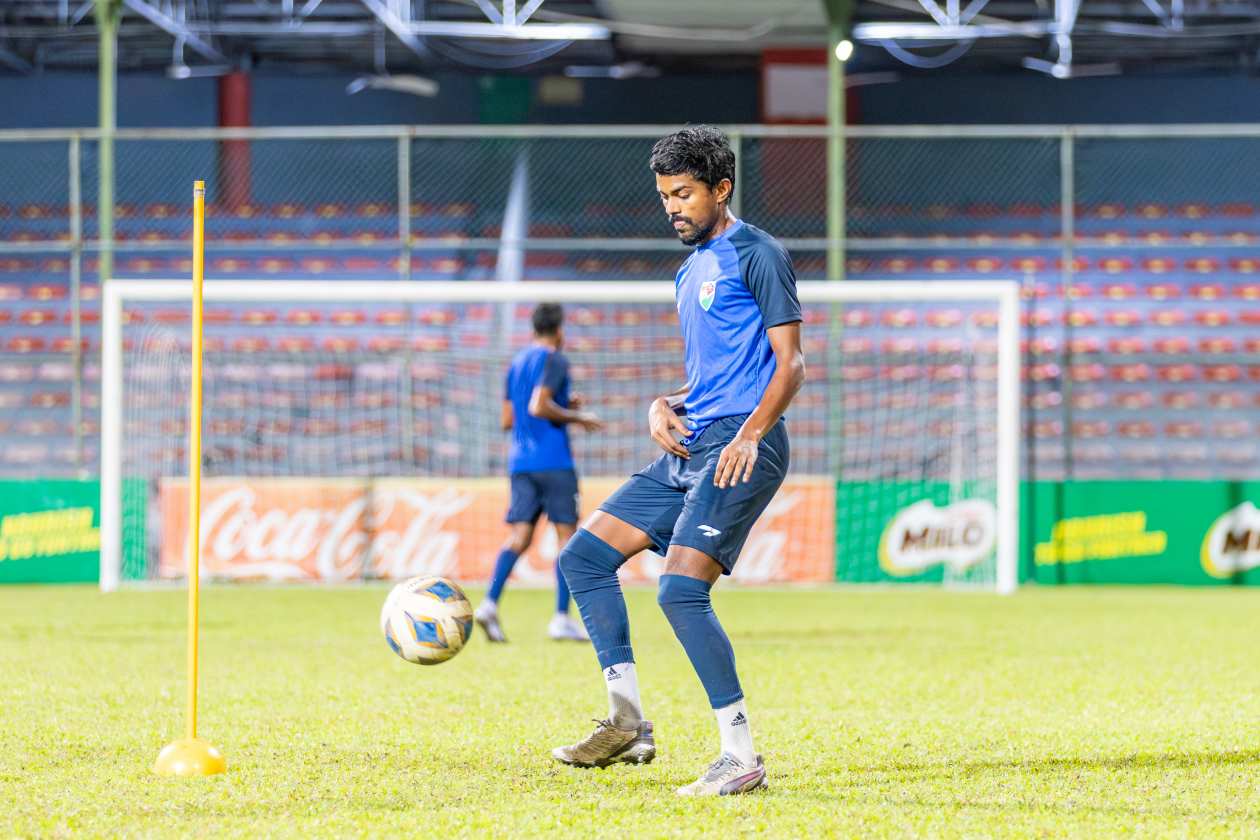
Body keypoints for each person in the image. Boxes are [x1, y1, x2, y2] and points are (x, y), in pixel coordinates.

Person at [550, 126, 805, 796]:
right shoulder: (689, 271)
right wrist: (666, 402)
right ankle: (626, 722)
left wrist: (751, 433)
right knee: (582, 559)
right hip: (695, 442)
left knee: (680, 590)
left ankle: (740, 755)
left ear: (722, 188)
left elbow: (791, 366)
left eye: (685, 194)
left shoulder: (758, 253)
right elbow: (714, 376)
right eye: (665, 196)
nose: (673, 208)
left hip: (744, 445)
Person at [474, 303, 603, 643]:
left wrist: (562, 405)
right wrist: (578, 417)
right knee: (567, 539)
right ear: (559, 330)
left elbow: (508, 418)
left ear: (533, 328)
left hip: (520, 462)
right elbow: (539, 405)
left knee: (519, 537)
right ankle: (561, 618)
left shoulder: (516, 363)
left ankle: (489, 604)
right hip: (554, 460)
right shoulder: (555, 359)